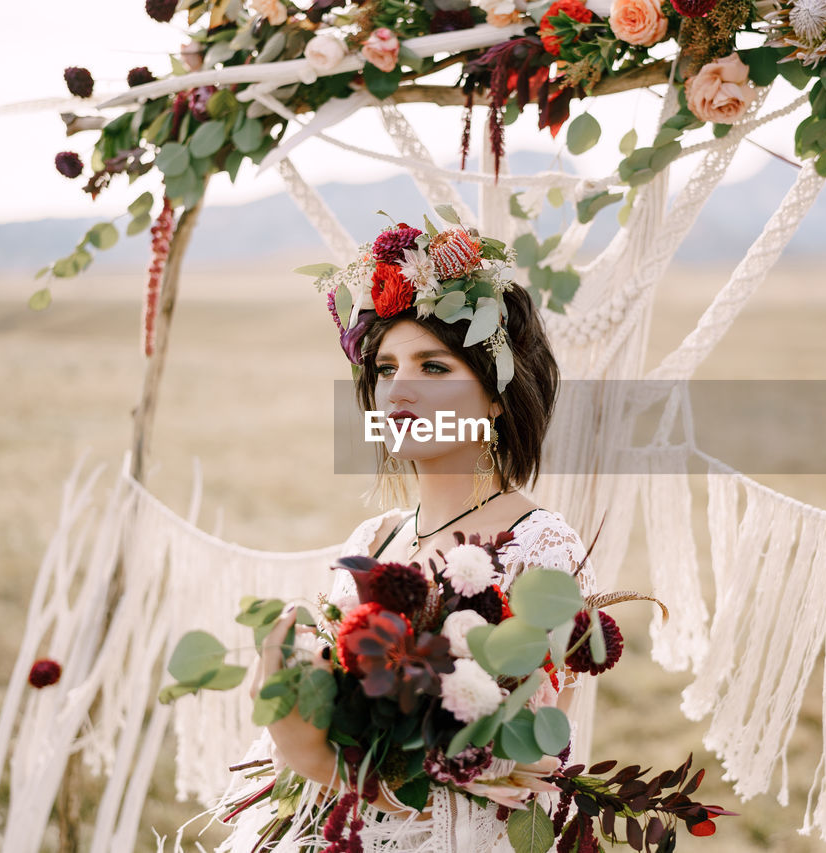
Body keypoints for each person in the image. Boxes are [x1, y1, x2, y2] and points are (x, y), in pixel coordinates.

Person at [218, 221, 595, 852]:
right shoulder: (377, 537)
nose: (400, 389)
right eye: (388, 368)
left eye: (434, 365)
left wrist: (321, 762)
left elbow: (525, 771)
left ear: (497, 397)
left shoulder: (542, 548)